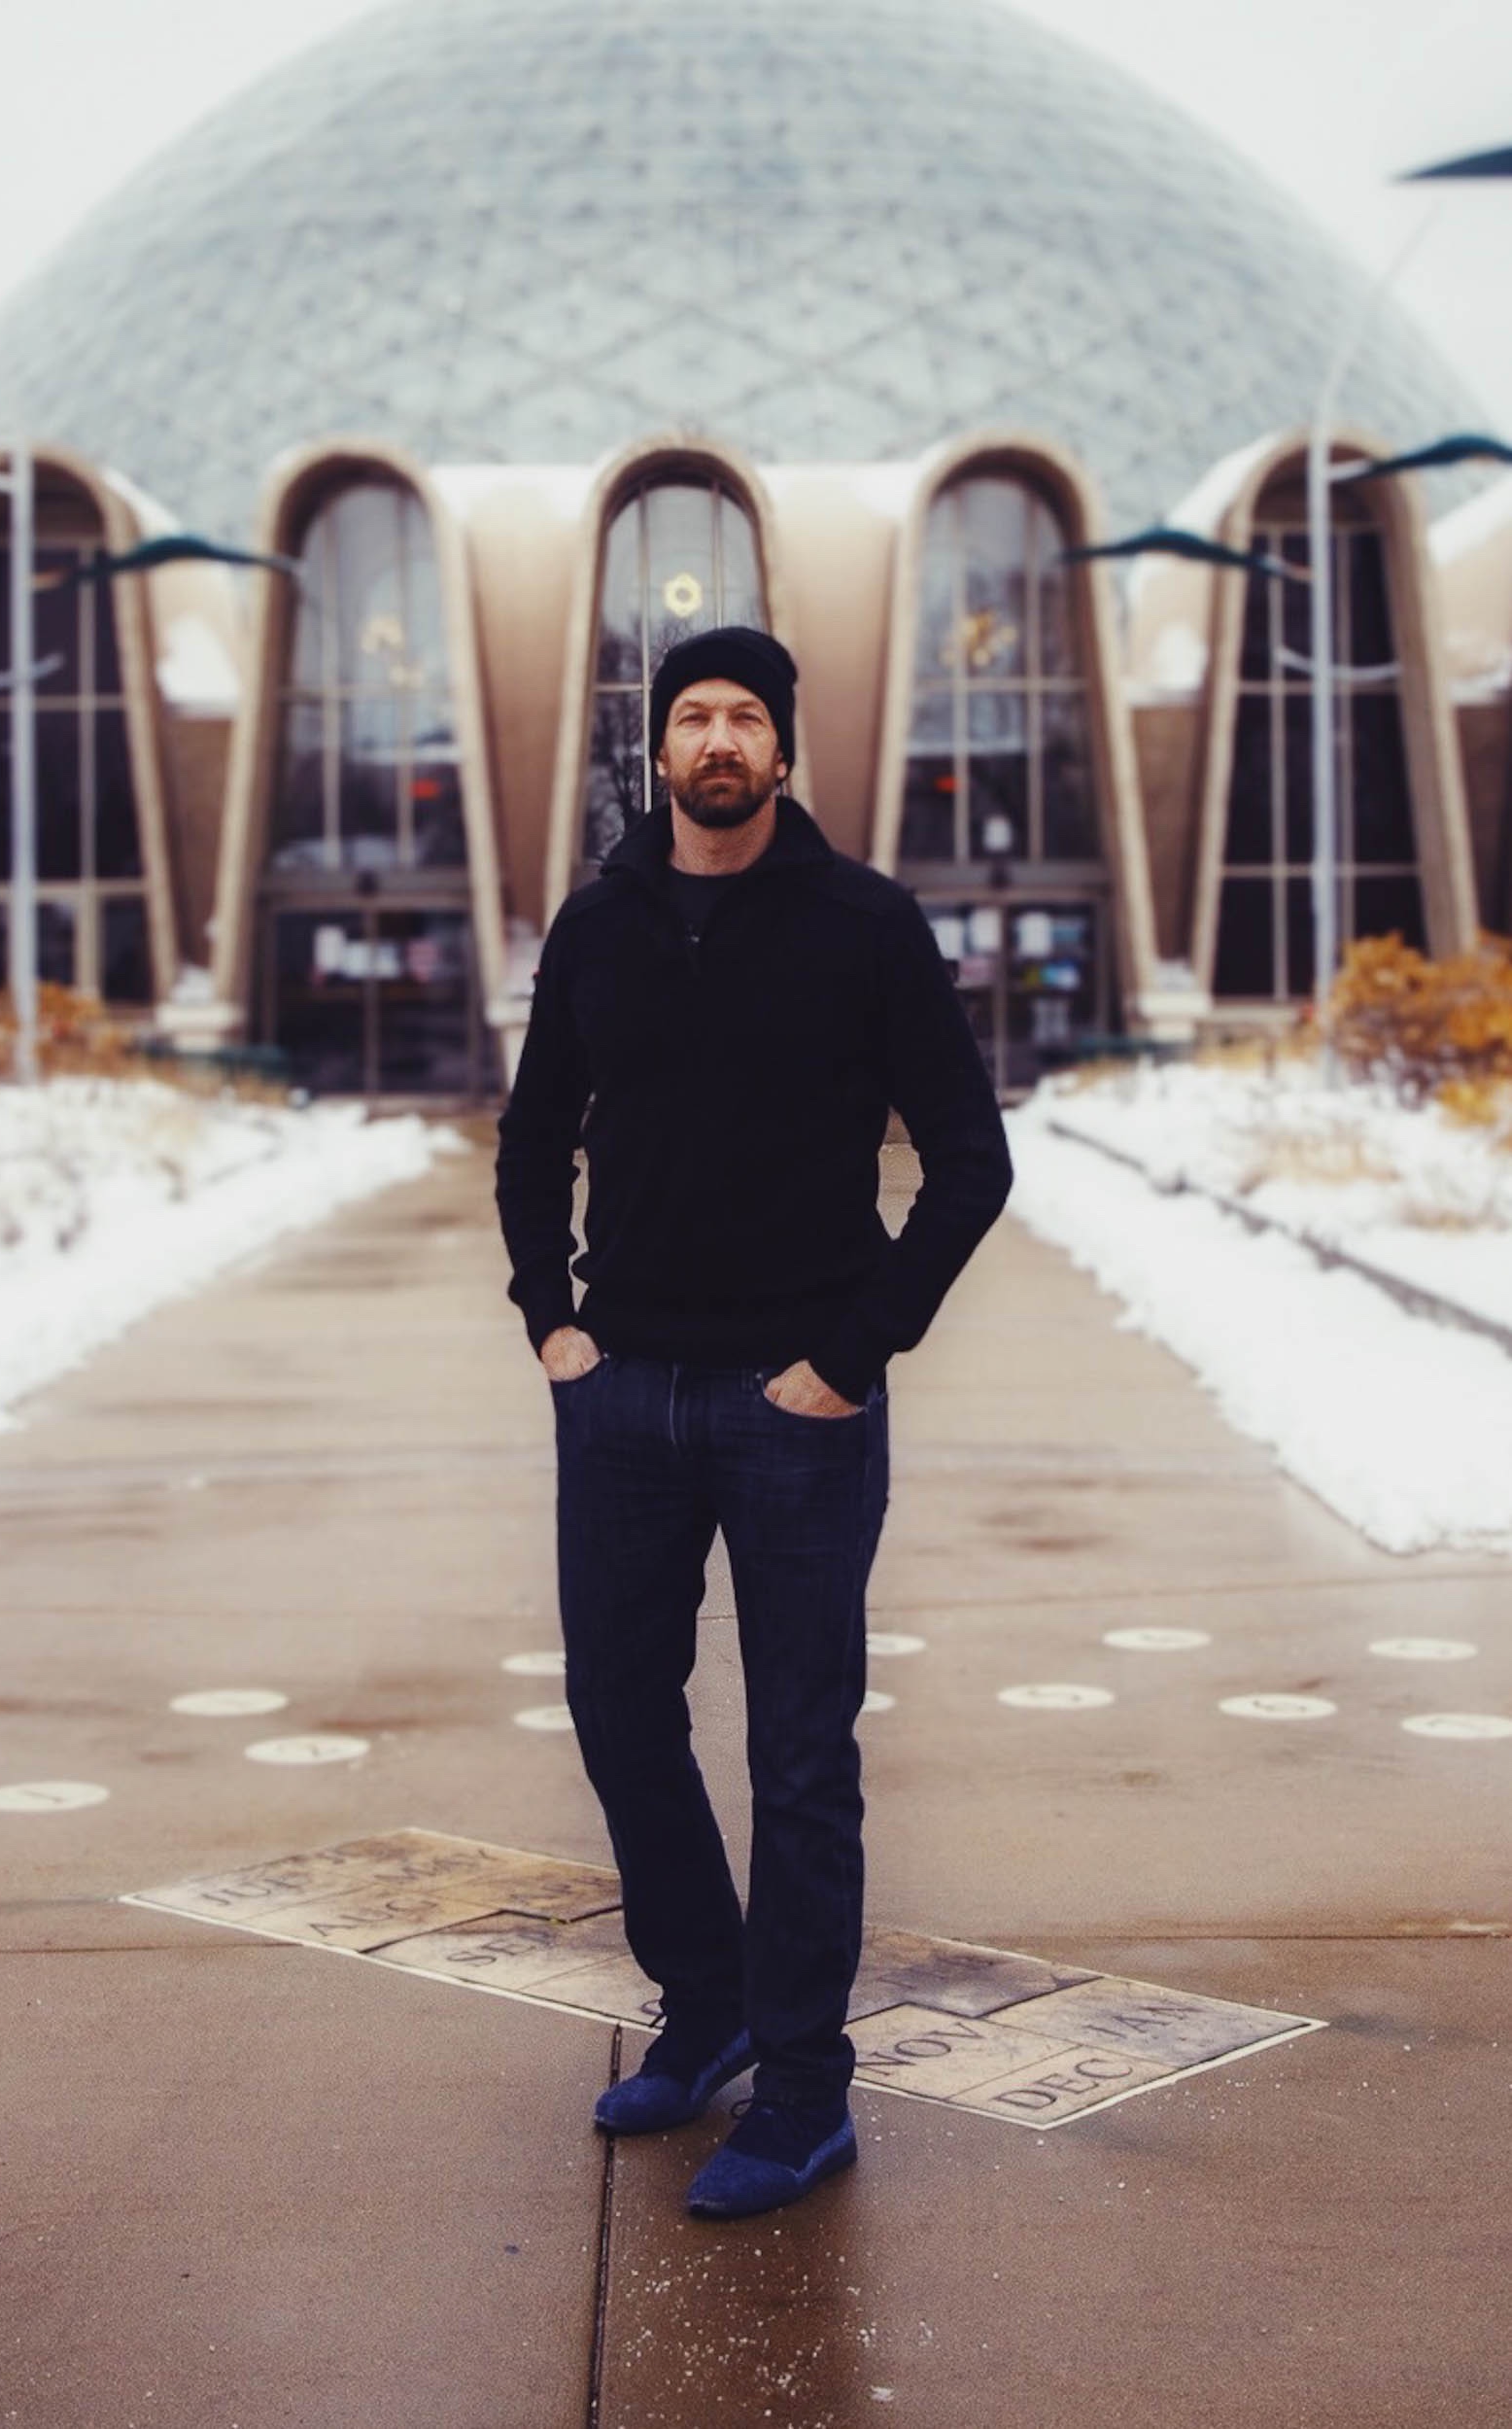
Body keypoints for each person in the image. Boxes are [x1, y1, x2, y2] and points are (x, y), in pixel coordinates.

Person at [495, 625, 1012, 2220]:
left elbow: (972, 1163)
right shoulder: (599, 925)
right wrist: (553, 1318)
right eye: (692, 715)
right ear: (659, 750)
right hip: (625, 1392)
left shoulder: (866, 925)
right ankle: (704, 2004)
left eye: (745, 718)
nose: (718, 739)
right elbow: (531, 1144)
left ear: (784, 749)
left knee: (800, 1758)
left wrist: (856, 1353)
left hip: (800, 1401)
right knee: (620, 1716)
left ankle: (800, 2093)